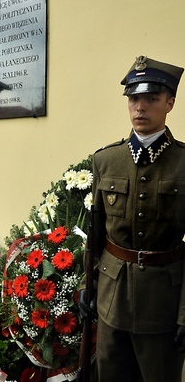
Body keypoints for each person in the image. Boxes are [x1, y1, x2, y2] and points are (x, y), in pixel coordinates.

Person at [80, 55, 185, 382]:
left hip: (164, 303)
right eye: (133, 98)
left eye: (151, 99)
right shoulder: (106, 160)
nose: (140, 107)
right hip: (112, 299)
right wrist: (89, 286)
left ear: (169, 102)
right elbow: (95, 235)